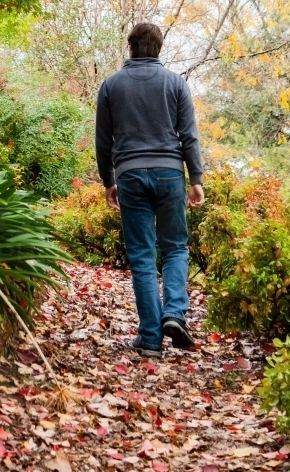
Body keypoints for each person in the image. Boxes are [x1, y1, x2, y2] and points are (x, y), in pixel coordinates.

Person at [95, 21, 205, 359]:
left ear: (130, 47)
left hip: (129, 176)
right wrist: (196, 177)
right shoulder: (175, 84)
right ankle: (174, 313)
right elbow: (189, 134)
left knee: (142, 256)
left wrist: (108, 181)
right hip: (170, 174)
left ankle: (150, 339)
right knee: (174, 248)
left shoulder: (111, 86)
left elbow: (103, 140)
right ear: (159, 48)